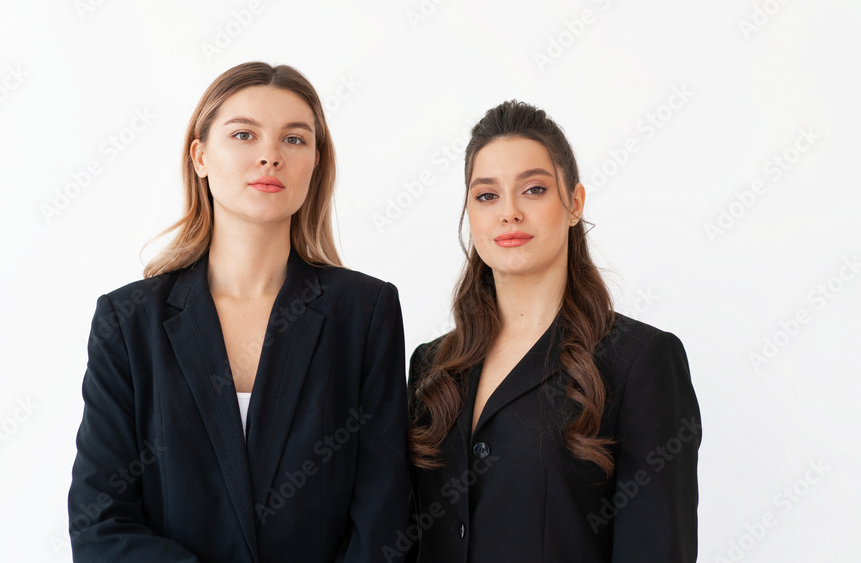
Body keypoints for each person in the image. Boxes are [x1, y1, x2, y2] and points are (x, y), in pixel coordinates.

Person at [68, 62, 409, 562]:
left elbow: (383, 520)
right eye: (244, 134)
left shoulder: (364, 312)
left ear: (316, 162)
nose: (270, 156)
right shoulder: (128, 321)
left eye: (294, 140)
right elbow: (100, 523)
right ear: (200, 155)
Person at [405, 101, 701, 562]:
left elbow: (657, 546)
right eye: (487, 196)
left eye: (534, 189)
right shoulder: (431, 366)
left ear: (574, 204)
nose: (508, 213)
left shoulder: (641, 361)